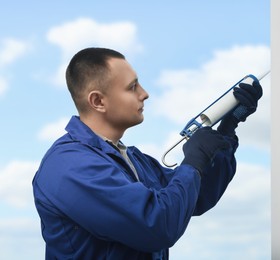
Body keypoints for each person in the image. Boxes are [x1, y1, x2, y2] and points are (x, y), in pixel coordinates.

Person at [32, 47, 263, 260]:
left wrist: (227, 129)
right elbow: (157, 225)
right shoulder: (70, 165)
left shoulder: (133, 160)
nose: (145, 94)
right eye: (132, 87)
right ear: (98, 101)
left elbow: (195, 197)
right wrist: (193, 161)